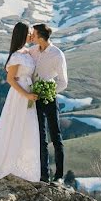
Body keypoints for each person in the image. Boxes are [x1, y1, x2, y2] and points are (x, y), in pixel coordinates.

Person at [0, 22, 41, 181]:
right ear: (22, 34)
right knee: (14, 126)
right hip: (19, 94)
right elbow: (10, 79)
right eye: (29, 33)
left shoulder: (28, 53)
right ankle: (6, 164)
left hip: (29, 91)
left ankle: (24, 169)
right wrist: (26, 95)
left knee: (28, 129)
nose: (31, 35)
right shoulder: (16, 56)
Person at [29, 23, 68, 182]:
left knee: (56, 136)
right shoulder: (32, 51)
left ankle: (59, 176)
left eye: (34, 33)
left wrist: (48, 92)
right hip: (35, 99)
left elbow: (63, 82)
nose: (31, 36)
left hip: (50, 98)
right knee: (40, 137)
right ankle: (43, 175)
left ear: (40, 36)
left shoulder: (57, 54)